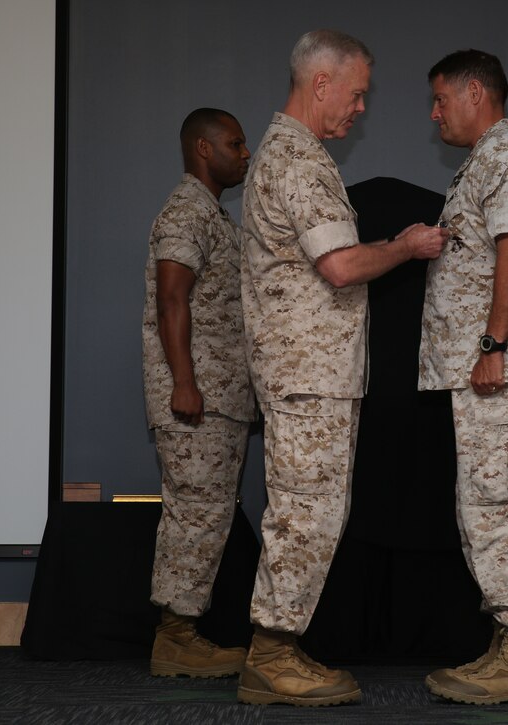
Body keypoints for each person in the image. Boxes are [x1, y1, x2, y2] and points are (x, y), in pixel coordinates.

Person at [237, 29, 449, 707]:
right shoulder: (299, 160)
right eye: (356, 94)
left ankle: (280, 646)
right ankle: (271, 655)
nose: (361, 107)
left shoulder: (290, 154)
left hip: (311, 374)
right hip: (309, 377)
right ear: (321, 82)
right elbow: (341, 264)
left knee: (311, 511)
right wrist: (408, 245)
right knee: (305, 514)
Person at [418, 49, 508, 705]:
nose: (435, 113)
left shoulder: (507, 156)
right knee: (484, 507)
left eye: (441, 99)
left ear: (476, 92)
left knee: (501, 507)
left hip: (501, 368)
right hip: (485, 374)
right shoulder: (482, 162)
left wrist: (492, 344)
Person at [141, 108, 256, 679]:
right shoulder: (187, 211)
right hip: (197, 399)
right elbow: (172, 299)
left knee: (206, 514)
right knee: (194, 514)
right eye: (235, 143)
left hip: (220, 398)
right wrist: (185, 383)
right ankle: (176, 639)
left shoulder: (214, 215)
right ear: (204, 149)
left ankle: (184, 632)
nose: (246, 153)